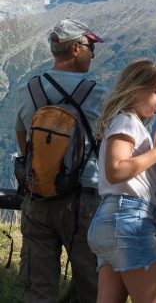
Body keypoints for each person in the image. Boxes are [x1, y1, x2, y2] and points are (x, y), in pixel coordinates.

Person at [14, 18, 107, 302]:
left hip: (37, 197)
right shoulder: (98, 94)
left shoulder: (27, 91)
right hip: (83, 199)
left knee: (39, 288)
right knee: (93, 286)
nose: (93, 53)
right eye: (91, 46)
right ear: (76, 48)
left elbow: (24, 144)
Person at [87, 59, 156, 303]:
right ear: (135, 89)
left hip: (110, 222)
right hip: (129, 222)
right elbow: (116, 169)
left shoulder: (125, 123)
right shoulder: (126, 122)